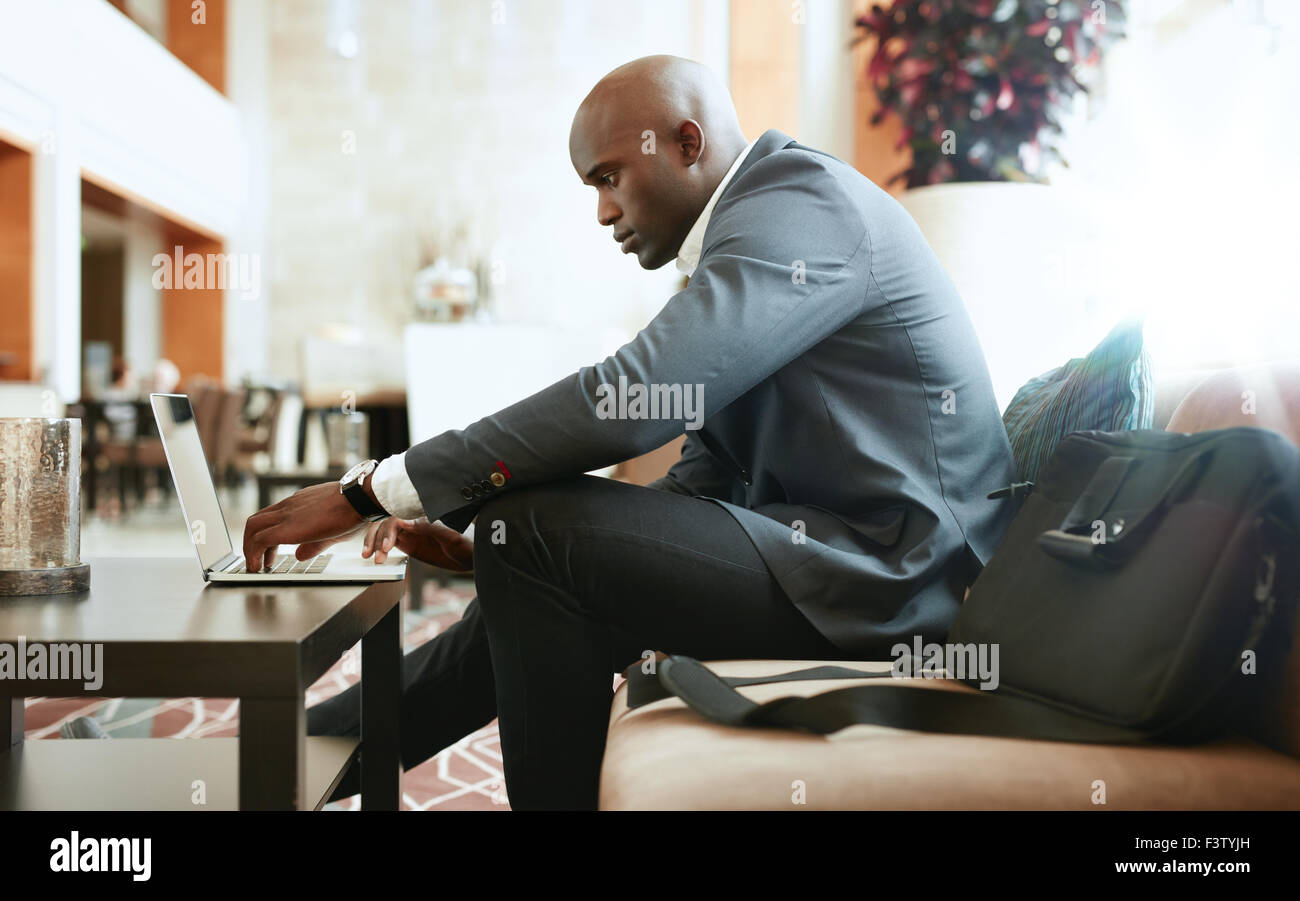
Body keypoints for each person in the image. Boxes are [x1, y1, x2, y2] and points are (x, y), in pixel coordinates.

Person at [241, 55, 1018, 810]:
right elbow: (704, 478)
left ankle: (276, 760)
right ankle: (272, 764)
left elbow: (634, 396)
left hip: (902, 580)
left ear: (687, 143)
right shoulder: (746, 236)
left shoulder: (801, 203)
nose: (604, 212)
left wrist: (371, 490)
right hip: (833, 560)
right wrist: (491, 554)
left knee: (536, 529)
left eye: (609, 178)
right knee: (524, 542)